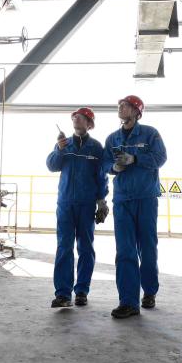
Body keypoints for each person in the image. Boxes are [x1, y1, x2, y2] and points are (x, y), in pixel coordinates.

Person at [103, 94, 167, 319]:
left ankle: (149, 291)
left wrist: (136, 159)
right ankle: (128, 302)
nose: (121, 107)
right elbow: (104, 164)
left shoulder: (150, 133)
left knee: (147, 248)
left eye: (126, 105)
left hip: (146, 198)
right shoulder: (112, 138)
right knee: (125, 251)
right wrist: (115, 168)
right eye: (119, 105)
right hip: (122, 201)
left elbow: (160, 157)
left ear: (137, 111)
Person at [46, 107, 109, 308]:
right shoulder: (64, 144)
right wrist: (59, 149)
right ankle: (63, 294)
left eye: (81, 117)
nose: (76, 119)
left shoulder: (96, 148)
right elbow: (52, 166)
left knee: (86, 248)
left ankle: (82, 291)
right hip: (65, 203)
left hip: (86, 204)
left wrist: (101, 201)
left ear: (89, 124)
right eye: (74, 117)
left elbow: (101, 176)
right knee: (64, 247)